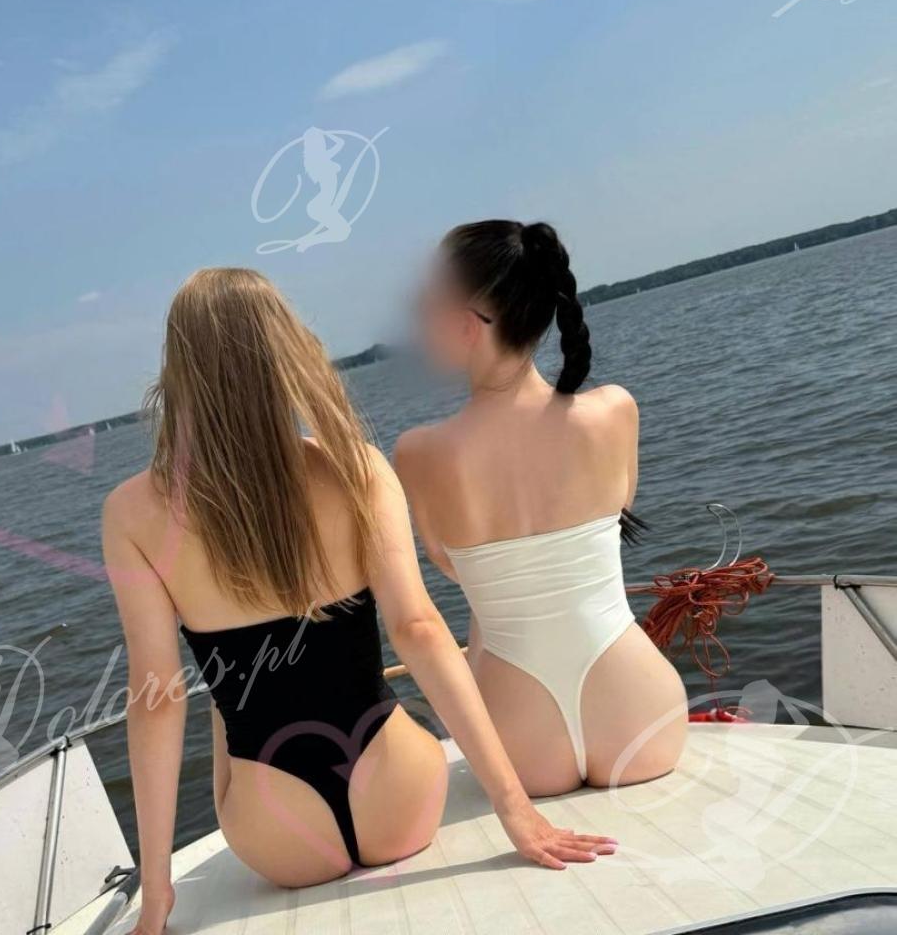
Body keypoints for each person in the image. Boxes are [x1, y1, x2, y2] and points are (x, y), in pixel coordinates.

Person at [103, 268, 616, 935]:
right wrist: (514, 809)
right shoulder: (356, 467)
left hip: (278, 833)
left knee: (220, 708)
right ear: (288, 351)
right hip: (398, 800)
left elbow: (155, 698)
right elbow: (418, 629)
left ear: (178, 371)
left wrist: (155, 896)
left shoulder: (132, 512)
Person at [396, 220, 687, 800]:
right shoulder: (614, 410)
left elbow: (454, 568)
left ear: (467, 322)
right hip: (641, 710)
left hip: (516, 731)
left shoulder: (420, 454)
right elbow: (612, 519)